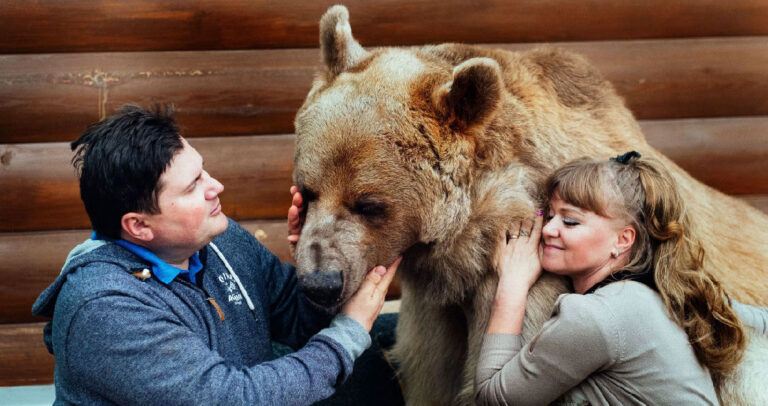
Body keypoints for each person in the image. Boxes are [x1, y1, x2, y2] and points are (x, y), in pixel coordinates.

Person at [32, 105, 402, 405]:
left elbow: (296, 319)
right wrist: (348, 334)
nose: (216, 186)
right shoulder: (105, 309)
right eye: (193, 186)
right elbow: (235, 397)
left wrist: (314, 264)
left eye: (203, 171)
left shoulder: (219, 240)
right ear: (139, 226)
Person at [475, 152, 767, 405]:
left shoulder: (596, 316)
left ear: (623, 240)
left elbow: (494, 398)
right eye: (548, 216)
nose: (549, 230)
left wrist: (512, 284)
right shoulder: (670, 293)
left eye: (570, 221)